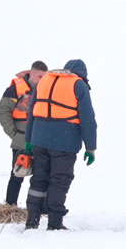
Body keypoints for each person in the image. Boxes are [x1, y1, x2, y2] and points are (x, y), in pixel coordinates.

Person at [23, 59, 97, 230]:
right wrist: (90, 147)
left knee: (39, 179)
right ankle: (55, 223)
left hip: (39, 140)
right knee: (59, 180)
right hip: (64, 142)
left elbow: (32, 112)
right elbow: (88, 120)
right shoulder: (79, 85)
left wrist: (28, 140)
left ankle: (32, 220)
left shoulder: (45, 81)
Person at [0, 60, 48, 205]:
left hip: (40, 140)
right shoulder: (15, 90)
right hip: (21, 139)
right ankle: (10, 205)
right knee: (17, 174)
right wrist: (13, 133)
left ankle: (38, 207)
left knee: (41, 176)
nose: (42, 80)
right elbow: (3, 111)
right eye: (39, 76)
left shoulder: (47, 89)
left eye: (44, 77)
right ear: (31, 73)